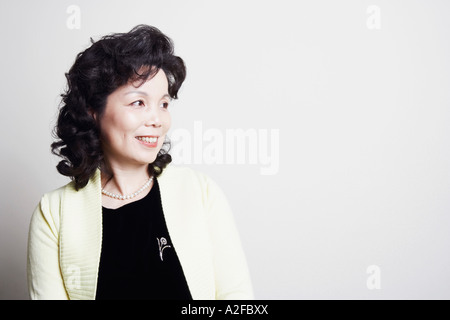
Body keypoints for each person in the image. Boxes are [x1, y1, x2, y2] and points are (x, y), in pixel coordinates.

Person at [27, 25, 253, 300]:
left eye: (164, 104)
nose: (157, 119)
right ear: (93, 112)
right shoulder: (54, 213)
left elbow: (236, 299)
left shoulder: (200, 192)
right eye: (138, 103)